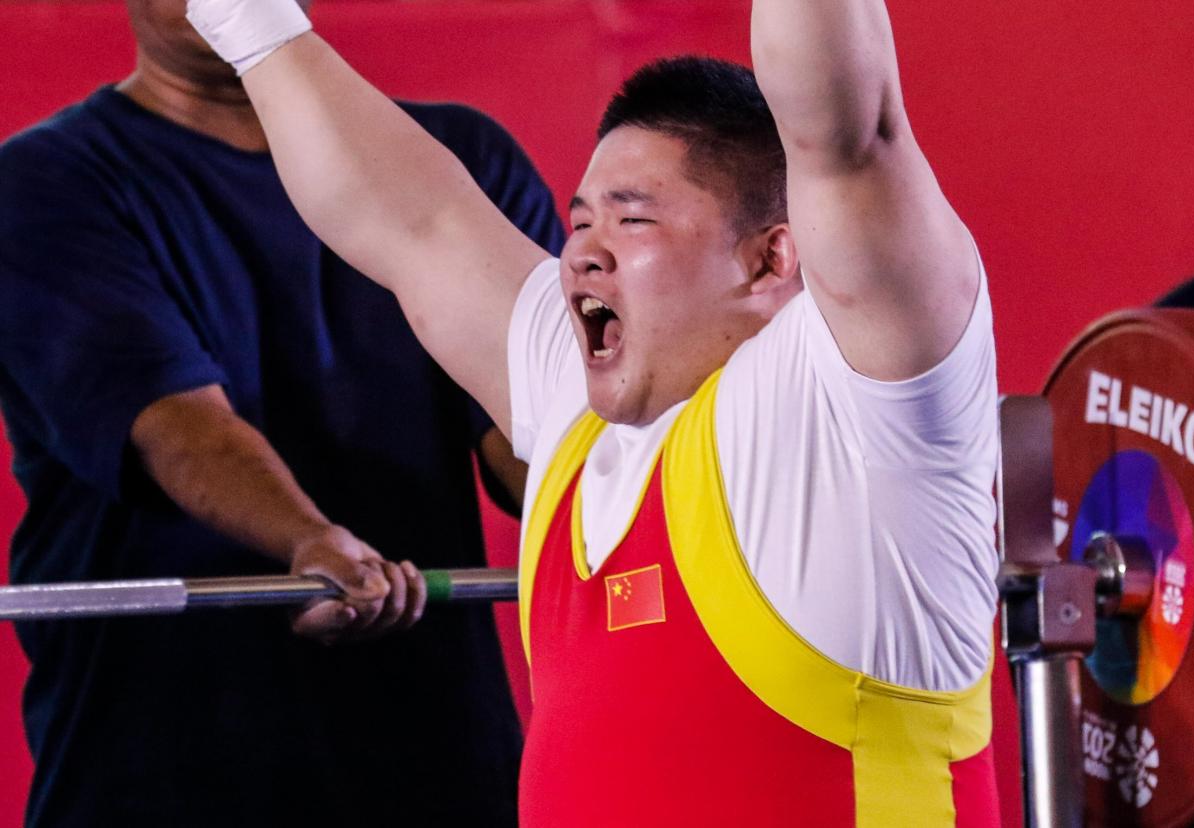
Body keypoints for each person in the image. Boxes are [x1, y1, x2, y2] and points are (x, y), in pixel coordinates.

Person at [186, 0, 1001, 825]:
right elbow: (411, 220)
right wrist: (241, 17)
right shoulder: (578, 402)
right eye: (581, 220)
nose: (582, 248)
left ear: (770, 258)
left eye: (632, 217)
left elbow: (843, 135)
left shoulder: (860, 408)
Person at [0, 1, 563, 825]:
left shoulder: (457, 162)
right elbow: (176, 427)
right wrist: (306, 537)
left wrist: (619, 470)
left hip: (438, 753)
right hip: (159, 763)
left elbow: (536, 428)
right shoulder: (44, 181)